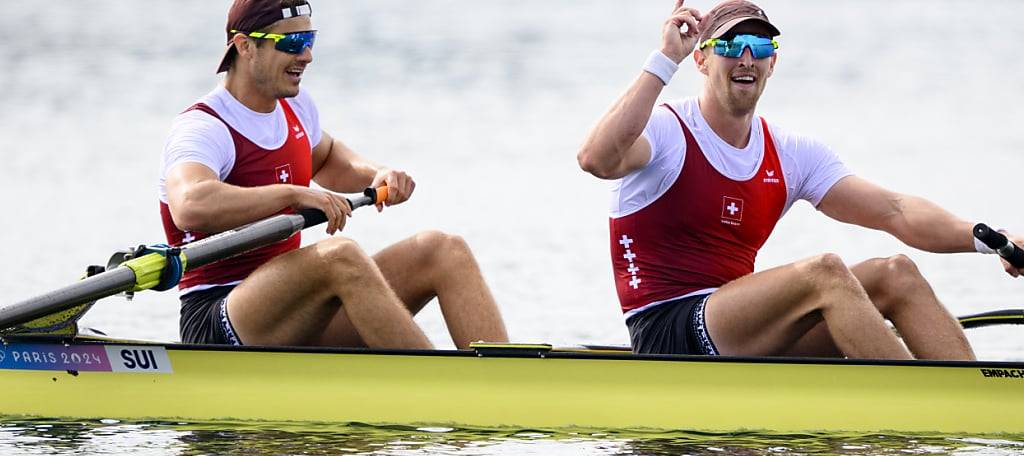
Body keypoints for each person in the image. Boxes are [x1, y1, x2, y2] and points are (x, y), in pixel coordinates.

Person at [577, 0, 1022, 360]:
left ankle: (972, 401)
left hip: (743, 329)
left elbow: (896, 211)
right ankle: (922, 412)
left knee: (896, 274)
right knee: (824, 273)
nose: (746, 57)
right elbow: (595, 158)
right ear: (702, 58)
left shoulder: (790, 153)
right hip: (668, 331)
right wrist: (663, 60)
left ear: (773, 63)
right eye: (730, 46)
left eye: (760, 45)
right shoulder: (666, 130)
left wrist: (995, 239)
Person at [159, 0, 508, 349]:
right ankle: (440, 390)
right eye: (292, 43)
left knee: (443, 249)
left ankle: (507, 382)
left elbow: (327, 161)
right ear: (245, 46)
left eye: (309, 40)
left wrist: (378, 173)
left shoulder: (295, 107)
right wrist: (293, 194)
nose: (307, 56)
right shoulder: (203, 127)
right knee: (339, 255)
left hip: (297, 310)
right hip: (218, 318)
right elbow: (190, 205)